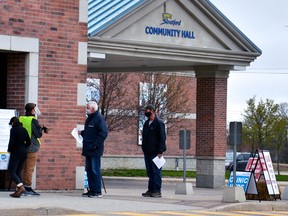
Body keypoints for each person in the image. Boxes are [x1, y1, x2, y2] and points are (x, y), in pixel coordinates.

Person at [80, 101, 108, 198]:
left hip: (95, 150)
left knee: (95, 169)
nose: (86, 109)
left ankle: (97, 191)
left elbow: (103, 133)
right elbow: (90, 132)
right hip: (88, 148)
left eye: (87, 107)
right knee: (89, 170)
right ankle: (91, 189)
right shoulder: (89, 119)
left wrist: (96, 144)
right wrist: (82, 133)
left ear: (93, 108)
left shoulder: (99, 119)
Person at [19, 103, 48, 196]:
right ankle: (27, 188)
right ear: (32, 110)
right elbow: (38, 134)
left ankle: (21, 187)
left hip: (22, 147)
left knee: (23, 168)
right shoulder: (33, 120)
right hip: (32, 147)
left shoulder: (21, 118)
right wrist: (42, 129)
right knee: (29, 168)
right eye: (35, 109)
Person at [141, 104, 166, 198]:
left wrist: (160, 150)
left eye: (148, 110)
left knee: (156, 171)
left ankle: (157, 190)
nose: (146, 112)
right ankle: (150, 189)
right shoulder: (146, 123)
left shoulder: (159, 123)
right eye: (145, 111)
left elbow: (162, 137)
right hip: (147, 151)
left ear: (153, 111)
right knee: (150, 171)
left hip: (156, 152)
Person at [7, 117, 31, 198]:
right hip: (23, 153)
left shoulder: (13, 130)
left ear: (13, 123)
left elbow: (11, 141)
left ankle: (21, 187)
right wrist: (23, 147)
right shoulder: (23, 129)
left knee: (11, 171)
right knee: (18, 171)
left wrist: (9, 149)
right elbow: (29, 142)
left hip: (16, 152)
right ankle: (18, 191)